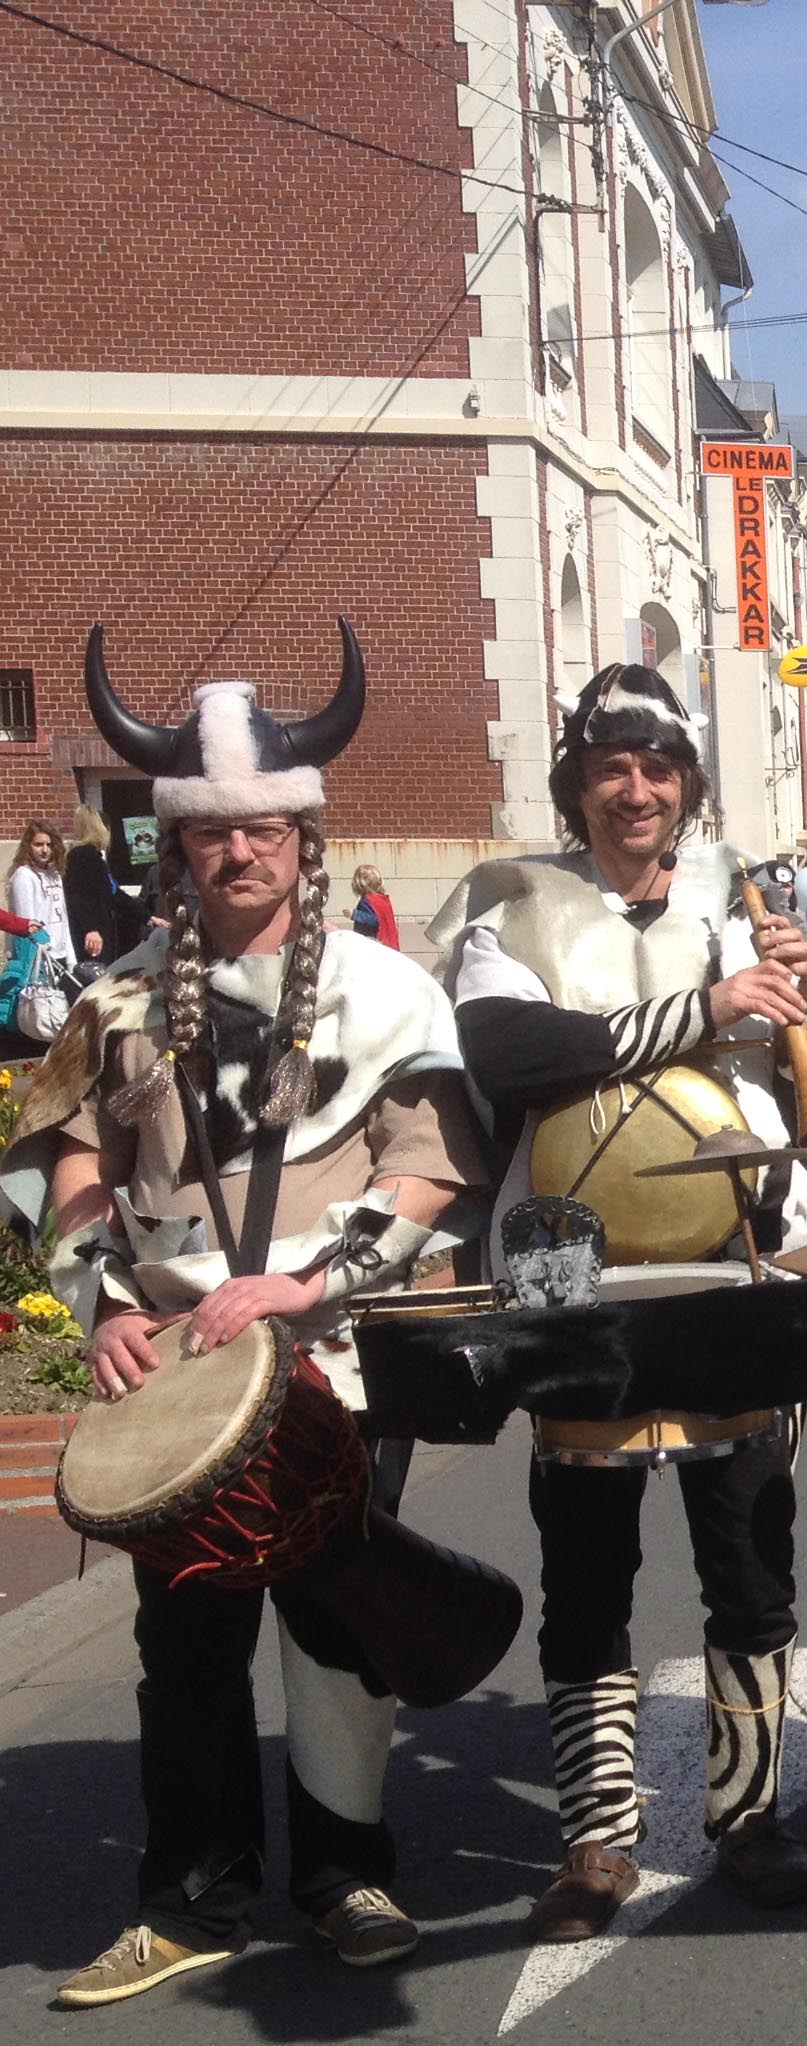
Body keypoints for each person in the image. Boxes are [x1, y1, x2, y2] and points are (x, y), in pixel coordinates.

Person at [9, 628, 487, 2006]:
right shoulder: (112, 1000)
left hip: (327, 1348)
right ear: (181, 845)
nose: (241, 853)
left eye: (267, 828)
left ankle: (347, 1870)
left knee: (336, 1615)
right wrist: (98, 1299)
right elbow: (77, 1162)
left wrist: (310, 1277)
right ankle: (191, 1896)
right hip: (169, 1369)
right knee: (187, 1639)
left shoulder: (387, 991)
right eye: (216, 834)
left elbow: (429, 1162)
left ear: (302, 837)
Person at [427, 663, 807, 1939]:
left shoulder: (739, 907)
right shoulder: (521, 905)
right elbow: (508, 1053)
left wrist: (801, 1003)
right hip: (568, 1263)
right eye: (612, 768)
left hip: (727, 1258)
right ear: (578, 784)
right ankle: (597, 1843)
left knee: (747, 1551)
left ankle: (749, 1814)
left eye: (659, 770)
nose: (636, 791)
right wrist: (702, 1010)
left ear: (686, 788)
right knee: (588, 1562)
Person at [64, 805, 122, 974]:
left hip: (103, 930)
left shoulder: (94, 857)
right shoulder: (82, 856)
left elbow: (114, 894)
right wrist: (91, 928)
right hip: (93, 937)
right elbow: (79, 895)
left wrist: (147, 917)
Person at [12, 822, 77, 972]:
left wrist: (71, 959)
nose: (45, 850)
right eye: (39, 844)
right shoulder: (24, 876)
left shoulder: (55, 875)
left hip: (59, 954)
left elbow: (63, 918)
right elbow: (27, 922)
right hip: (38, 958)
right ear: (28, 846)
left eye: (49, 844)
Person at [348, 863, 400, 951]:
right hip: (388, 945)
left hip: (373, 944)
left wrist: (355, 914)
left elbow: (375, 920)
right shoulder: (383, 900)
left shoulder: (366, 902)